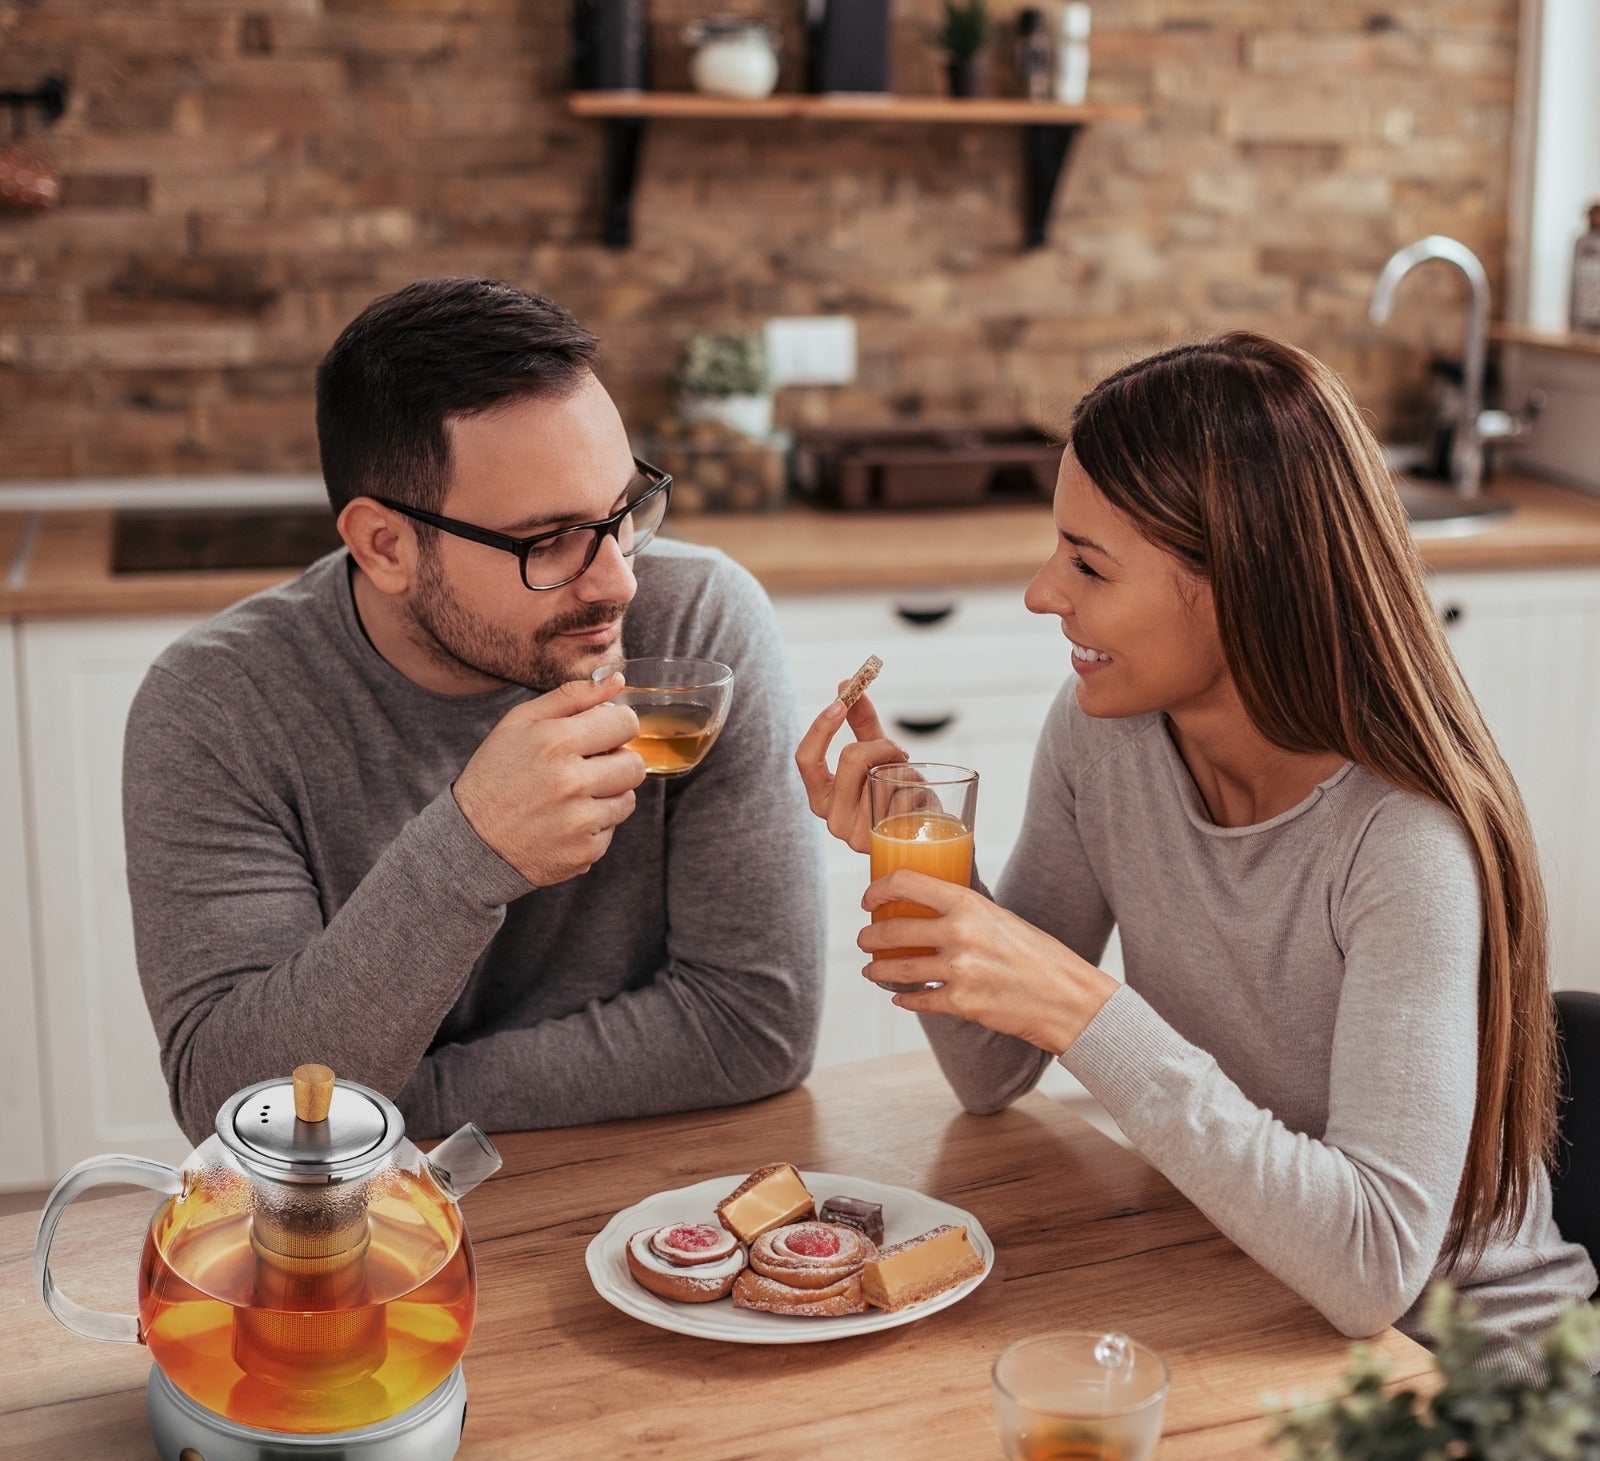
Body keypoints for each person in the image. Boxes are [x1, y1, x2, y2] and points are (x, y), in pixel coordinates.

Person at [797, 332, 1597, 1374]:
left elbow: (1373, 1271)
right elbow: (992, 1072)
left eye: (1087, 562)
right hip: (1252, 1305)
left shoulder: (1403, 840)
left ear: (1240, 583)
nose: (1044, 592)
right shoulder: (1104, 736)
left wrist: (1084, 1006)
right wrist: (924, 862)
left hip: (1468, 1392)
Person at [125, 277, 823, 1143]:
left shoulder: (699, 631)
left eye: (625, 511)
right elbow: (237, 1107)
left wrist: (373, 1106)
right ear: (385, 546)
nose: (621, 580)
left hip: (648, 1190)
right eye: (548, 540)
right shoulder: (220, 707)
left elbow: (755, 1027)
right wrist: (470, 851)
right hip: (353, 1232)